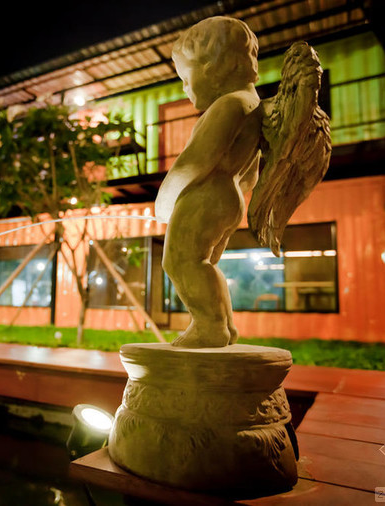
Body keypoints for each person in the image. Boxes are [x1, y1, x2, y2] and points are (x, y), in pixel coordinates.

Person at [155, 17, 263, 348]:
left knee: (180, 261)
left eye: (186, 79)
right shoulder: (252, 106)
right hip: (228, 196)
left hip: (207, 195)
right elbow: (252, 172)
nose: (184, 88)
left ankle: (210, 325)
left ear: (218, 68)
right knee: (204, 263)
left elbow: (195, 161)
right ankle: (224, 325)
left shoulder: (228, 106)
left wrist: (164, 200)